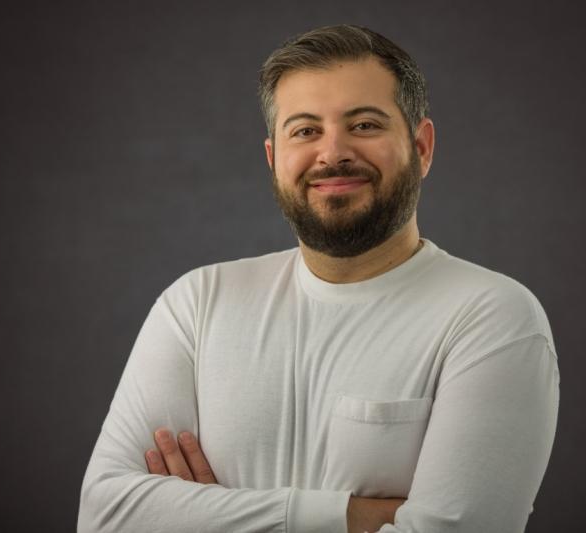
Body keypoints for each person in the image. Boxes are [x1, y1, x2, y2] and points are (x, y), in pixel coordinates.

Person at [78, 24, 560, 533]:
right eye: (305, 131)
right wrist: (356, 515)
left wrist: (206, 515)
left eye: (365, 125)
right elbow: (106, 517)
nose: (332, 153)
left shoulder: (492, 317)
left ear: (421, 147)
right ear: (273, 159)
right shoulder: (197, 303)